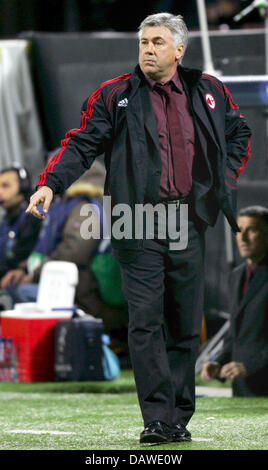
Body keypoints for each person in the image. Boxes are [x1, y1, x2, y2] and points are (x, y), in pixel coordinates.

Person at [26, 13, 251, 444]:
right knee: (146, 320)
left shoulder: (209, 91)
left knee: (185, 323)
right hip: (138, 223)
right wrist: (50, 184)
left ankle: (178, 418)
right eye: (144, 42)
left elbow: (239, 132)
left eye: (158, 42)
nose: (148, 49)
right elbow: (80, 142)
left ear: (179, 50)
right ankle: (157, 419)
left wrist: (222, 180)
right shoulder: (116, 94)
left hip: (188, 221)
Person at [1, 161, 128, 346]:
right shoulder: (62, 206)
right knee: (16, 287)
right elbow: (45, 249)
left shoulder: (85, 207)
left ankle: (53, 350)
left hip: (83, 291)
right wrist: (23, 270)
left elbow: (75, 252)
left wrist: (33, 275)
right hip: (67, 283)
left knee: (23, 293)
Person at [201, 206, 268, 396]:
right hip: (242, 387)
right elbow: (235, 330)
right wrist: (219, 362)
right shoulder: (236, 275)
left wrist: (251, 365)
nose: (243, 237)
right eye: (239, 230)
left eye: (252, 230)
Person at [0, 165, 42, 281]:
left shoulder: (34, 217)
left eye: (5, 186)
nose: (0, 192)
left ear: (23, 187)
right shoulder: (5, 222)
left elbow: (18, 257)